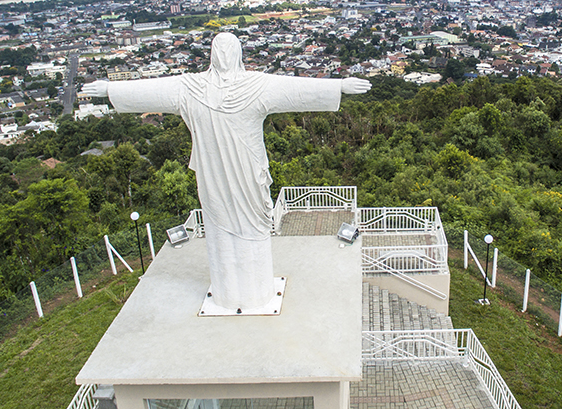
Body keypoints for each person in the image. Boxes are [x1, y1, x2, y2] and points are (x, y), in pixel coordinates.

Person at [81, 32, 371, 311]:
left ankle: (252, 295)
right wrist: (110, 90)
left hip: (245, 172)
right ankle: (230, 294)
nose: (222, 55)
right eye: (219, 50)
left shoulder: (241, 86)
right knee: (220, 224)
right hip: (215, 175)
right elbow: (150, 91)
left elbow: (297, 90)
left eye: (226, 49)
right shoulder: (194, 87)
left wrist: (339, 86)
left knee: (253, 225)